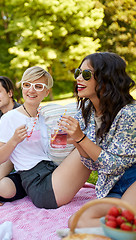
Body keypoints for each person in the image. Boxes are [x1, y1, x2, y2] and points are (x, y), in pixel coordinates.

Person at [0, 66, 91, 209]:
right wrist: (13, 141)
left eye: (38, 86)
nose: (31, 90)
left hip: (54, 171)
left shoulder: (47, 116)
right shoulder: (9, 118)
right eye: (27, 85)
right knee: (88, 147)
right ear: (22, 87)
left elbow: (53, 146)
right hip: (38, 184)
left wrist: (71, 137)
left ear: (46, 92)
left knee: (85, 144)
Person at [62, 52, 136, 227]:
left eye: (86, 74)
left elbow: (115, 165)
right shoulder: (85, 112)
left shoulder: (130, 113)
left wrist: (81, 138)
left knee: (127, 221)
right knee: (75, 221)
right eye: (78, 73)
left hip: (133, 179)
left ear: (106, 79)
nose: (78, 78)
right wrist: (77, 142)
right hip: (112, 187)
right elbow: (93, 165)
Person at [0, 75, 26, 207]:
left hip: (26, 169)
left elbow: (15, 154)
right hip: (8, 169)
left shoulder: (22, 114)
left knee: (2, 189)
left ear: (10, 93)